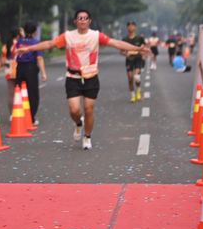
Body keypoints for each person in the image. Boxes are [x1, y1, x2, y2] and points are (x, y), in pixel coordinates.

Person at [15, 9, 149, 151]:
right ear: (75, 21)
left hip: (91, 77)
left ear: (89, 21)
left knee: (88, 109)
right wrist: (29, 49)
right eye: (80, 18)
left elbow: (116, 43)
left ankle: (87, 136)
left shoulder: (96, 35)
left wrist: (137, 49)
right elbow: (49, 44)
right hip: (73, 77)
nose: (83, 20)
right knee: (74, 110)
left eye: (85, 18)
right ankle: (78, 123)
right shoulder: (68, 36)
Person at [14, 22, 47, 123]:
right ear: (35, 31)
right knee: (32, 94)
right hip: (31, 69)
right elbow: (39, 58)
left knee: (19, 92)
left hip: (19, 68)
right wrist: (43, 73)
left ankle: (19, 115)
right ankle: (31, 118)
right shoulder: (36, 42)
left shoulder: (19, 41)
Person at [121, 22, 146, 102]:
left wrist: (143, 53)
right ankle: (132, 95)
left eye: (132, 26)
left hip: (138, 59)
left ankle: (138, 91)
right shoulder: (125, 39)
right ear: (127, 28)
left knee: (136, 77)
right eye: (129, 26)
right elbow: (121, 51)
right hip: (129, 60)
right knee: (130, 78)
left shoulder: (139, 38)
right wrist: (126, 54)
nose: (131, 28)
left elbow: (144, 48)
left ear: (135, 27)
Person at [1, 28, 22, 111]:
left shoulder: (5, 46)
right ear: (17, 35)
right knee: (20, 91)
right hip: (19, 68)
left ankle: (12, 113)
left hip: (9, 70)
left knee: (11, 93)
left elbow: (2, 61)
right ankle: (20, 111)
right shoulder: (20, 44)